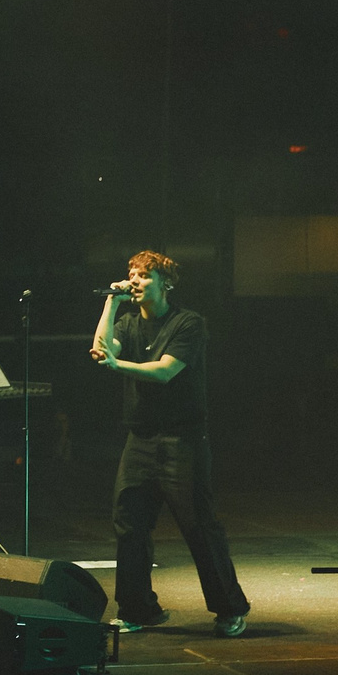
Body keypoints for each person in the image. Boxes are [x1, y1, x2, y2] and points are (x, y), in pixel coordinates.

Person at [90, 250, 250, 637]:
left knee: (199, 525)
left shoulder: (187, 323)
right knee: (130, 523)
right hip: (141, 438)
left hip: (183, 439)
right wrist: (112, 302)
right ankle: (137, 608)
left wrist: (117, 366)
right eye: (131, 273)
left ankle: (230, 608)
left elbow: (164, 371)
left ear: (166, 284)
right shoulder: (127, 322)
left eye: (144, 275)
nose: (135, 280)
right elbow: (102, 348)